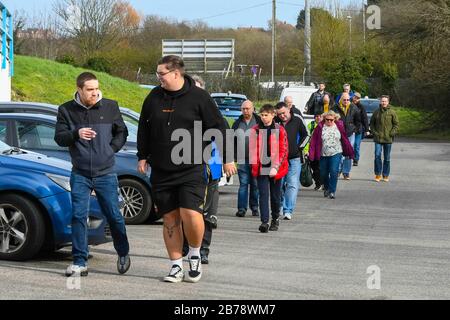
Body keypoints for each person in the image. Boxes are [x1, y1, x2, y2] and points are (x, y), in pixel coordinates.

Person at [137, 55, 236, 283]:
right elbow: (144, 126)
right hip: (161, 168)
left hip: (192, 165)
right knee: (170, 218)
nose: (158, 78)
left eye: (161, 73)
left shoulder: (199, 97)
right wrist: (142, 156)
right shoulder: (154, 96)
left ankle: (194, 254)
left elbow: (219, 128)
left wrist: (227, 158)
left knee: (190, 213)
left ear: (175, 73)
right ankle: (175, 266)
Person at [54, 72, 131, 277]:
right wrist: (76, 134)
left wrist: (110, 149)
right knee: (78, 215)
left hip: (105, 172)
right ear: (79, 89)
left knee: (114, 215)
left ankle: (123, 251)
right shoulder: (66, 110)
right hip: (79, 173)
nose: (95, 93)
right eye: (90, 90)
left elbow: (122, 132)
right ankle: (80, 261)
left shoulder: (110, 106)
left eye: (97, 88)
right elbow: (59, 138)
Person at [180, 74, 222, 265]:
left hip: (210, 167)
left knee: (206, 214)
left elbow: (223, 135)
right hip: (185, 166)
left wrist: (227, 161)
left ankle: (203, 250)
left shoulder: (210, 111)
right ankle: (185, 247)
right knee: (186, 212)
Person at [249, 104, 288, 233]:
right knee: (263, 195)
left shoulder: (279, 129)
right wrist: (253, 166)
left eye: (266, 115)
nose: (264, 117)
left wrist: (276, 167)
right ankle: (264, 221)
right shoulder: (255, 130)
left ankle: (275, 218)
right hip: (261, 167)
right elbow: (252, 150)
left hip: (276, 168)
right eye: (262, 115)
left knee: (275, 196)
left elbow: (283, 150)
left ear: (273, 115)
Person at [308, 111, 354, 199]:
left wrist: (349, 151)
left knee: (334, 171)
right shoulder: (320, 127)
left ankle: (332, 191)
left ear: (335, 119)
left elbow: (344, 139)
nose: (329, 121)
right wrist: (311, 153)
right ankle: (327, 187)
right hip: (323, 154)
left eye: (331, 120)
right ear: (324, 119)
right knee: (323, 173)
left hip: (336, 152)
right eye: (327, 119)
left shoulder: (339, 126)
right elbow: (313, 140)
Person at [275, 102, 308, 221]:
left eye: (283, 113)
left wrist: (299, 147)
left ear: (289, 110)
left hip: (294, 158)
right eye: (279, 114)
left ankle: (288, 210)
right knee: (278, 185)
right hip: (278, 159)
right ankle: (278, 205)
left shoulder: (297, 119)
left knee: (292, 184)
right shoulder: (274, 122)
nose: (282, 116)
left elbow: (307, 135)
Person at [232, 100, 260, 218]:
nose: (245, 111)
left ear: (253, 109)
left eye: (248, 108)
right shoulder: (237, 123)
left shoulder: (259, 121)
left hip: (256, 159)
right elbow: (231, 140)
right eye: (243, 109)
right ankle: (241, 209)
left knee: (255, 184)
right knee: (243, 184)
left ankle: (254, 208)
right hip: (242, 159)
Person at [370, 95, 399, 182]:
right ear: (380, 102)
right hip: (378, 139)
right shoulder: (376, 112)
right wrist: (375, 133)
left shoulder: (392, 112)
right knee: (377, 156)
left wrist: (392, 133)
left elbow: (396, 124)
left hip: (388, 139)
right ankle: (378, 174)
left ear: (388, 102)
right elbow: (372, 124)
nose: (383, 103)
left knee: (387, 158)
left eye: (385, 101)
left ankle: (385, 175)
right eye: (382, 101)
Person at [332, 92, 360, 180]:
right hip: (338, 134)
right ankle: (338, 170)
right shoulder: (335, 108)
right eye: (344, 99)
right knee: (338, 152)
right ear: (341, 99)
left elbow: (358, 121)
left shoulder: (354, 107)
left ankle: (346, 172)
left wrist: (355, 130)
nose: (346, 101)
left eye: (348, 100)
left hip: (350, 133)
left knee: (348, 153)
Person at [303, 114, 323, 190]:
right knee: (314, 168)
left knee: (322, 168)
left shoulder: (325, 125)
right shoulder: (310, 125)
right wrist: (306, 150)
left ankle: (323, 182)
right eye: (317, 116)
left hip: (322, 151)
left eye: (320, 116)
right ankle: (318, 183)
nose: (318, 118)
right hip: (312, 151)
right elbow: (307, 139)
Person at [351, 92, 370, 166]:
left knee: (356, 145)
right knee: (350, 145)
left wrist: (367, 129)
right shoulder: (349, 105)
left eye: (357, 98)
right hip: (350, 128)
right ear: (353, 97)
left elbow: (365, 118)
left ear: (359, 99)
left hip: (358, 129)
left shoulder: (361, 107)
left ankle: (356, 159)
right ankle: (349, 159)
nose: (356, 99)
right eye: (355, 97)